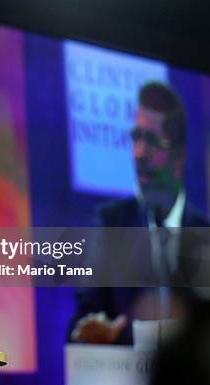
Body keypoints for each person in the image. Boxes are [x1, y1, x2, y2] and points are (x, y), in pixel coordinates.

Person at [69, 82, 209, 345]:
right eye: (136, 137)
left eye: (153, 141)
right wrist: (93, 332)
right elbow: (82, 321)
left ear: (179, 157)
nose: (139, 153)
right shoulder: (111, 224)